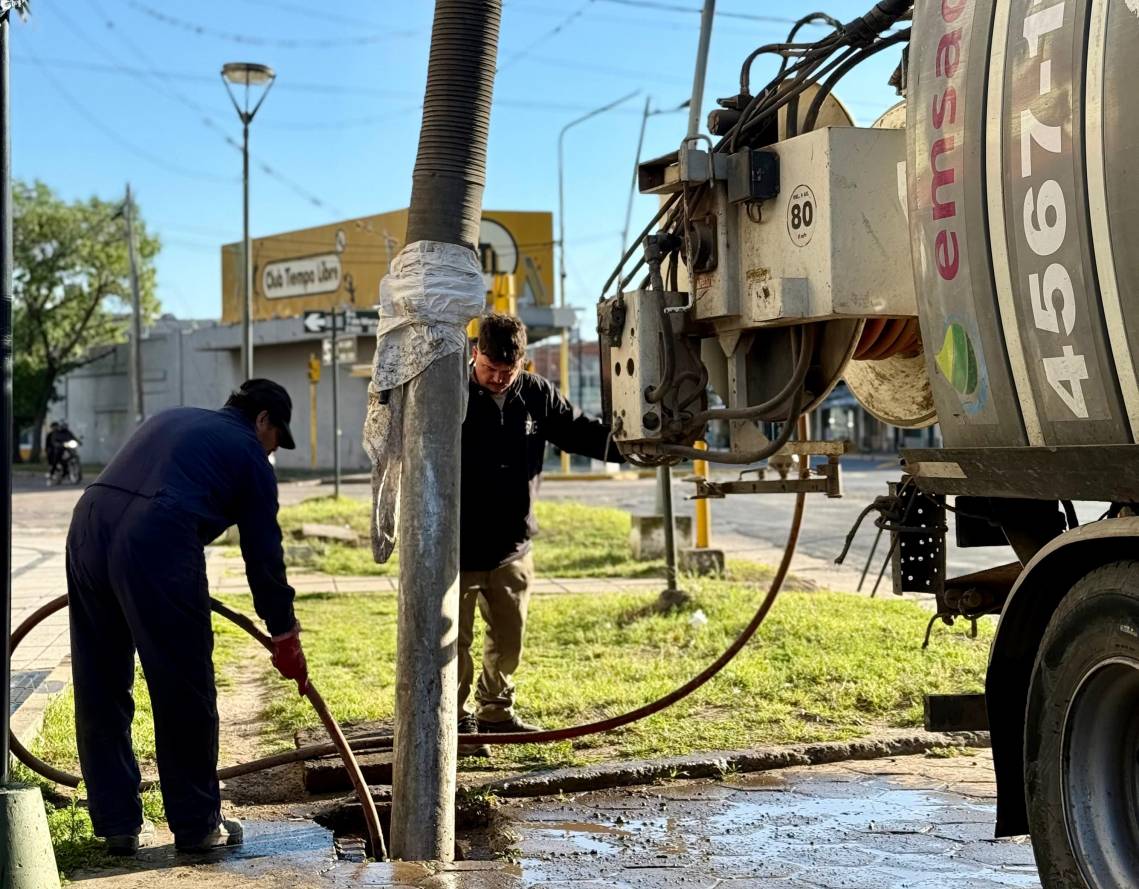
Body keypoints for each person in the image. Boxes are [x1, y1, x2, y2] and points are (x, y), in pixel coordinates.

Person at [66, 379, 309, 855]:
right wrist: (283, 630)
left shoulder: (174, 417)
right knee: (183, 685)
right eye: (277, 438)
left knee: (100, 682)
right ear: (263, 419)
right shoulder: (248, 453)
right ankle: (198, 824)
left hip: (89, 524)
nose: (273, 450)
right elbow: (264, 557)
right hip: (157, 534)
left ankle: (116, 823)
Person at [458, 313, 622, 756]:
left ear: (522, 362)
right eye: (490, 368)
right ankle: (452, 723)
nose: (497, 378)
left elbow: (578, 430)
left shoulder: (536, 394)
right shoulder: (449, 390)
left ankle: (495, 714)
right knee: (452, 645)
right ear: (475, 352)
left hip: (512, 547)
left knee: (508, 640)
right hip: (455, 549)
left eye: (507, 372)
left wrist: (627, 448)